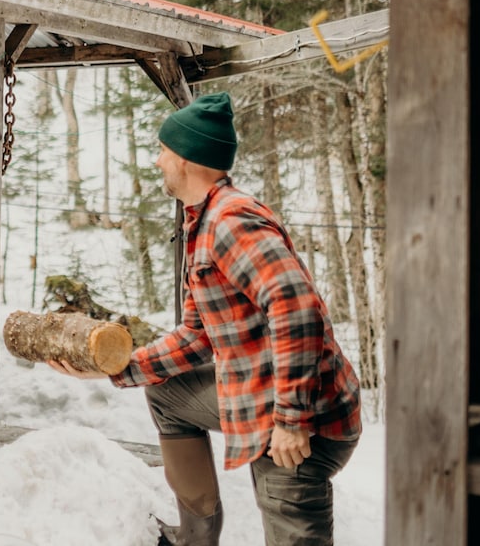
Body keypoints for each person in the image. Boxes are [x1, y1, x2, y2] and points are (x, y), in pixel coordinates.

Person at [50, 92, 361, 546]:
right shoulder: (204, 221)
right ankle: (195, 538)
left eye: (163, 151)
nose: (157, 162)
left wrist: (291, 419)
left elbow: (297, 308)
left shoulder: (231, 221)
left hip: (307, 416)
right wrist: (115, 367)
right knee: (167, 393)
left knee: (288, 518)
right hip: (263, 393)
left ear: (187, 158)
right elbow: (197, 336)